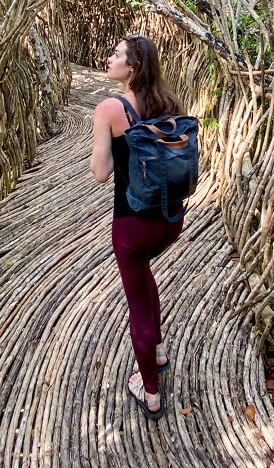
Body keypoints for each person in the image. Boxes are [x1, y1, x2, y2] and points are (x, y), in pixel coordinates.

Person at [89, 34, 184, 420]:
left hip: (132, 226)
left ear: (133, 67)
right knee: (146, 279)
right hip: (170, 220)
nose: (110, 58)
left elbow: (100, 172)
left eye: (117, 54)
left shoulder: (110, 108)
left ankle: (150, 392)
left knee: (137, 307)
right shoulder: (168, 102)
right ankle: (159, 351)